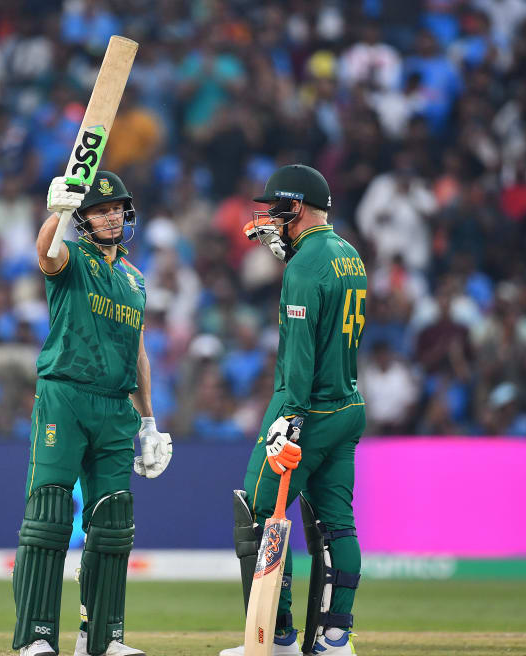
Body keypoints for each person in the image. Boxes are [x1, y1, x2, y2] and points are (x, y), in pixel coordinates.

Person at [12, 171, 172, 656]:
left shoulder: (135, 279)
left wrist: (148, 420)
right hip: (65, 393)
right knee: (50, 514)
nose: (111, 216)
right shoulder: (73, 256)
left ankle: (102, 639)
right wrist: (55, 213)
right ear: (84, 219)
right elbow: (45, 254)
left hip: (116, 406)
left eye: (117, 208)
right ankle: (36, 638)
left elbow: (139, 352)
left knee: (112, 521)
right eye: (101, 210)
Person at [225, 165, 367, 656]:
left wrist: (292, 420)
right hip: (348, 405)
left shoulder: (304, 266)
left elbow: (302, 353)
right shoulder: (348, 254)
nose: (270, 220)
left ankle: (276, 637)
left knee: (261, 515)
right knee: (338, 524)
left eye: (277, 209)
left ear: (297, 208)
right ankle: (334, 639)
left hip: (307, 408)